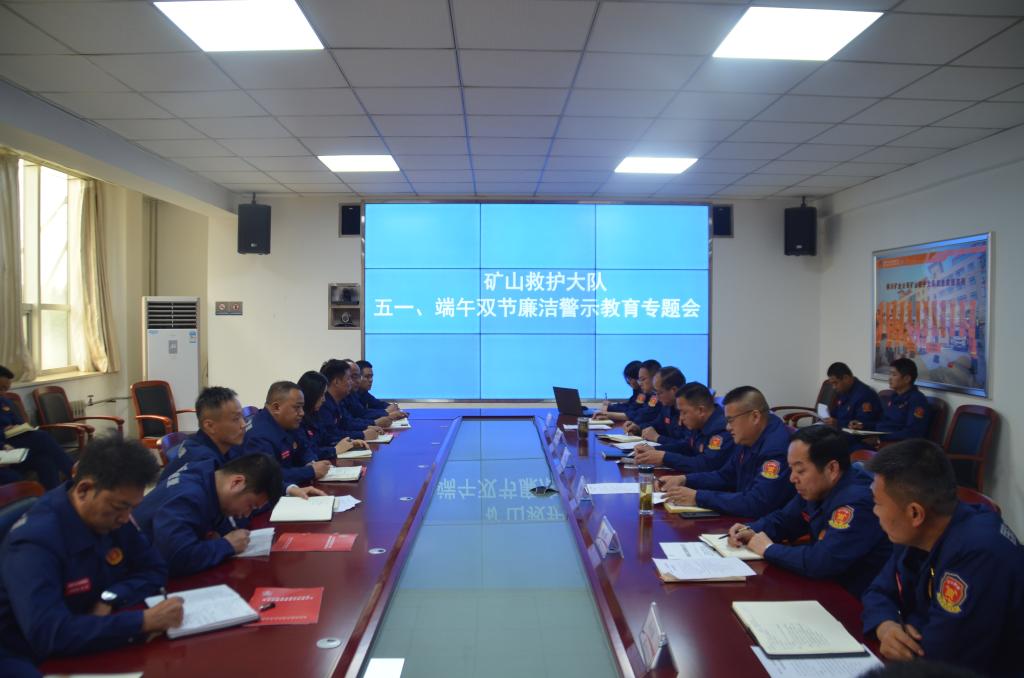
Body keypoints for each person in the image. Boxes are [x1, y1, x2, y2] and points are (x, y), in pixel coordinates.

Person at [0, 435, 183, 677]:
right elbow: (50, 633)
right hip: (23, 654)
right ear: (84, 489)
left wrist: (111, 597)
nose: (125, 517)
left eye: (132, 507)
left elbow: (154, 568)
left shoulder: (112, 515)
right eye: (120, 507)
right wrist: (143, 622)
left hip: (86, 628)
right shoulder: (34, 542)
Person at [861, 439, 1024, 676]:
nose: (874, 511)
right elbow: (878, 590)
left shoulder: (979, 553)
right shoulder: (919, 533)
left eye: (877, 503)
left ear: (915, 513)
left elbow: (941, 657)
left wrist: (905, 633)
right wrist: (885, 625)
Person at [727, 426, 891, 596]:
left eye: (800, 470)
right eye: (791, 469)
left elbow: (822, 562)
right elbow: (784, 520)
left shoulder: (858, 502)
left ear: (832, 469)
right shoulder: (817, 487)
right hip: (823, 586)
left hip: (853, 598)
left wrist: (768, 548)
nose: (792, 478)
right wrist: (749, 530)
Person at [133, 455, 283, 577]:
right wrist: (227, 545)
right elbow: (177, 557)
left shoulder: (207, 475)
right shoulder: (189, 496)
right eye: (251, 506)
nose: (247, 514)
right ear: (236, 483)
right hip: (135, 573)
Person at [658, 386, 794, 517]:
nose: (728, 427)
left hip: (765, 525)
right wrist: (684, 480)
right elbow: (725, 476)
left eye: (731, 420)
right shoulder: (749, 436)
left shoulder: (776, 449)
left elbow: (757, 503)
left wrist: (698, 497)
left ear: (755, 417)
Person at [244, 381, 331, 489]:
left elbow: (304, 447)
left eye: (302, 407)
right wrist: (310, 471)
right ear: (276, 407)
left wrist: (310, 462)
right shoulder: (259, 436)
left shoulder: (287, 422)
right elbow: (269, 476)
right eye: (297, 407)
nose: (302, 413)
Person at [0, 365, 74, 489]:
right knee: (41, 437)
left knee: (46, 461)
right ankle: (74, 472)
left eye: (5, 389)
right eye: (0, 388)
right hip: (4, 447)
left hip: (14, 447)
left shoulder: (5, 402)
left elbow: (19, 422)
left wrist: (17, 427)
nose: (3, 393)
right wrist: (2, 438)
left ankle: (53, 496)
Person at [635, 382, 734, 473]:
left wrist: (665, 457)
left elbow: (705, 465)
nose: (681, 418)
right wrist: (654, 450)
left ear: (700, 410)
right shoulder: (700, 423)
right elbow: (686, 447)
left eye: (684, 412)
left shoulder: (722, 430)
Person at [159, 386, 245, 480]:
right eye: (236, 419)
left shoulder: (225, 446)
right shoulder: (202, 463)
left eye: (242, 416)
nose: (243, 424)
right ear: (210, 426)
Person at [852, 358, 930, 446]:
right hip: (880, 438)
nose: (889, 378)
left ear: (907, 379)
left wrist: (880, 439)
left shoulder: (917, 400)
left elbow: (912, 433)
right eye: (890, 374)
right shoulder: (894, 396)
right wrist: (863, 425)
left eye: (894, 375)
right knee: (847, 439)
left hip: (896, 446)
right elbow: (883, 422)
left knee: (854, 447)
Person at [297, 370, 368, 461]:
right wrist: (334, 450)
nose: (324, 399)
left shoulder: (314, 414)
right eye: (321, 395)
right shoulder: (299, 419)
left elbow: (327, 437)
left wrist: (350, 442)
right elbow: (308, 452)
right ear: (311, 395)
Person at [319, 360, 381, 442]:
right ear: (336, 382)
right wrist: (362, 434)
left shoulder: (338, 401)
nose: (351, 382)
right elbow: (331, 435)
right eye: (348, 378)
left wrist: (367, 427)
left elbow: (347, 423)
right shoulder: (324, 404)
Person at [596, 359, 660, 424]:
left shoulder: (655, 396)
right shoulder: (645, 394)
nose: (640, 383)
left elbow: (641, 415)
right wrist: (610, 408)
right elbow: (632, 407)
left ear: (655, 378)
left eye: (643, 379)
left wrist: (609, 414)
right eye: (639, 380)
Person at [823, 362, 882, 430]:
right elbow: (836, 413)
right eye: (832, 384)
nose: (834, 387)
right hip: (838, 430)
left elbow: (861, 425)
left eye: (835, 383)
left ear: (846, 378)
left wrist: (838, 423)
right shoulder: (843, 390)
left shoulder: (865, 394)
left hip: (851, 434)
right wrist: (827, 419)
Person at [639, 366, 687, 444]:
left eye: (660, 393)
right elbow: (655, 425)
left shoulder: (689, 411)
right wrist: (638, 428)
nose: (657, 397)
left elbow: (687, 445)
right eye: (655, 393)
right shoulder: (667, 407)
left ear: (674, 390)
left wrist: (657, 438)